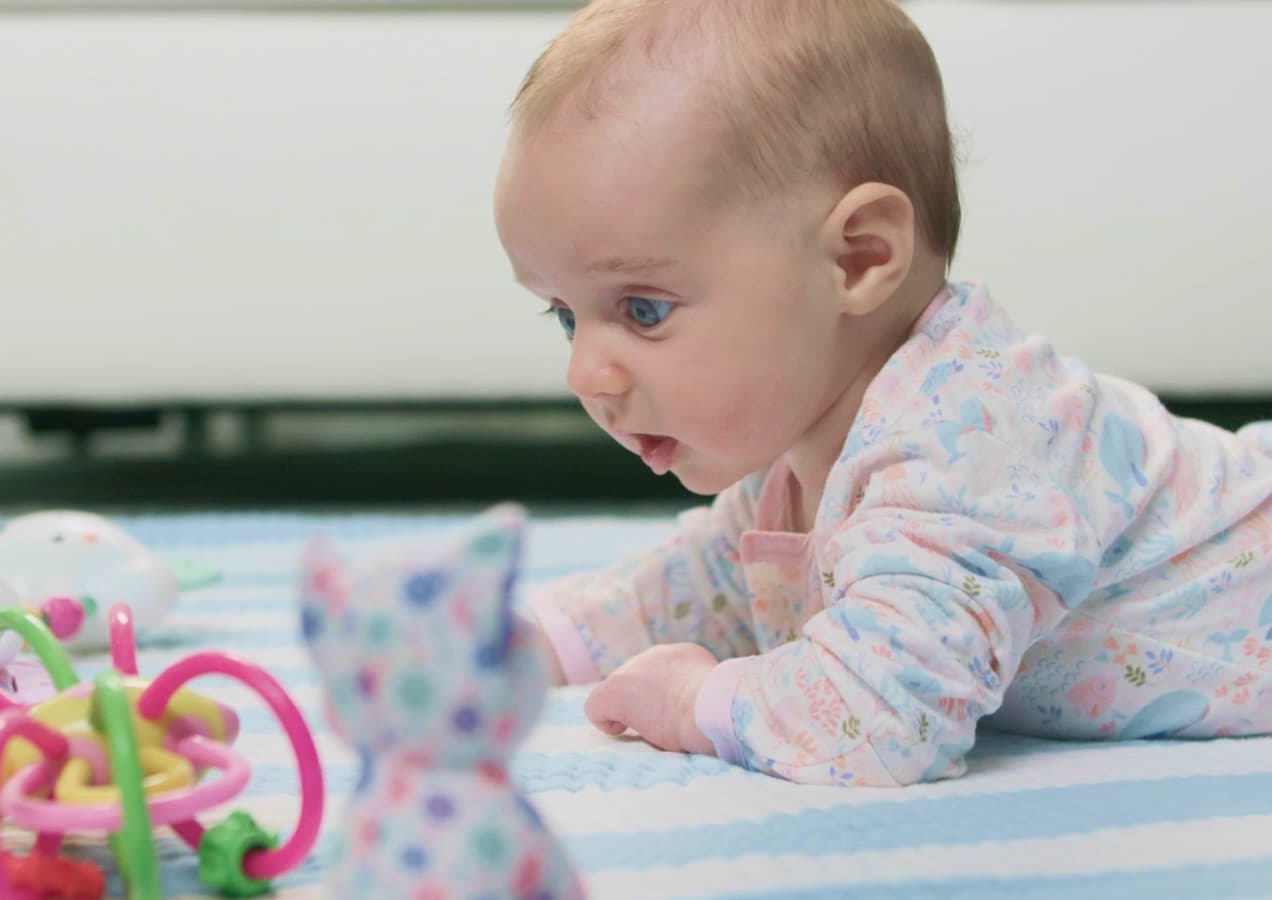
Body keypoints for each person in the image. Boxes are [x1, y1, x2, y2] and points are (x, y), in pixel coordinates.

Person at [493, 0, 1272, 786]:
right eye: (565, 316)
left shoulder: (967, 445)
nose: (585, 375)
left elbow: (888, 715)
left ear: (859, 259)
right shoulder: (809, 444)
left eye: (644, 309)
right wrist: (535, 638)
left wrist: (701, 702)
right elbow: (713, 583)